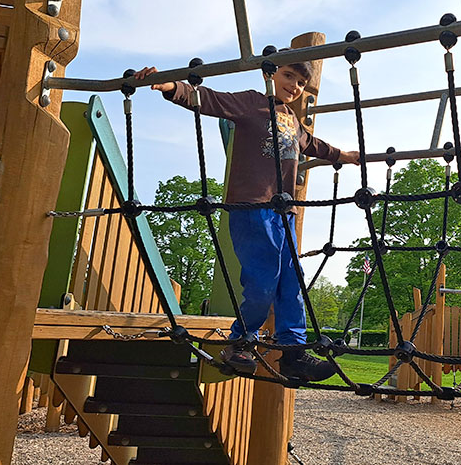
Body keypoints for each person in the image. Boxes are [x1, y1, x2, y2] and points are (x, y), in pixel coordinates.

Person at [135, 62, 359, 382]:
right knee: (262, 281)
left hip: (284, 212)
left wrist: (344, 156)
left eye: (300, 83)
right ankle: (240, 342)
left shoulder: (291, 119)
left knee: (291, 282)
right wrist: (171, 86)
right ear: (270, 75)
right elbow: (210, 99)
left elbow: (311, 144)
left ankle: (294, 353)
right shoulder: (251, 102)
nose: (294, 86)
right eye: (288, 76)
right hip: (252, 207)